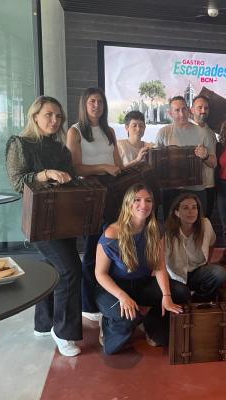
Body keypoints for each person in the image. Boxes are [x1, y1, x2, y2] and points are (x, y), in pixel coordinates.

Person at [5, 95, 83, 357]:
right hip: (39, 220)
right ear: (35, 116)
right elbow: (17, 182)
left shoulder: (61, 149)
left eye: (58, 116)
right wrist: (45, 173)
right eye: (49, 114)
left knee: (53, 268)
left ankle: (44, 322)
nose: (54, 120)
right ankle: (64, 332)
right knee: (70, 271)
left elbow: (71, 180)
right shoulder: (19, 144)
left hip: (64, 217)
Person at [94, 184, 188, 355]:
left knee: (181, 292)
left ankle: (150, 321)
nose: (143, 205)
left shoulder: (156, 229)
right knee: (122, 330)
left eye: (148, 200)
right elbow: (100, 274)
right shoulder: (112, 233)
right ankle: (108, 322)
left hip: (141, 284)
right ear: (127, 203)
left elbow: (159, 266)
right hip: (114, 289)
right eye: (137, 200)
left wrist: (166, 296)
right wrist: (122, 296)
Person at [66, 87, 124, 322]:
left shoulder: (109, 130)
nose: (96, 105)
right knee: (92, 249)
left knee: (112, 246)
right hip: (89, 193)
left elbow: (118, 165)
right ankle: (88, 304)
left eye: (100, 101)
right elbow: (74, 167)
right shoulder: (75, 131)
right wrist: (103, 167)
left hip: (113, 192)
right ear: (84, 104)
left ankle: (108, 294)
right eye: (92, 101)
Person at [156, 96, 216, 217]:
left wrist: (205, 156)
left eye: (184, 109)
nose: (181, 114)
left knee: (197, 225)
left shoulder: (203, 132)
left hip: (196, 190)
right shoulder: (163, 133)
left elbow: (213, 163)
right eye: (177, 110)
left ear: (189, 110)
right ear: (170, 113)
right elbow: (157, 163)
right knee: (170, 224)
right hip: (171, 189)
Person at [165, 192, 226, 302]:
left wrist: (207, 262)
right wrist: (166, 293)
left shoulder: (205, 224)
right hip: (176, 276)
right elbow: (161, 265)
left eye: (194, 207)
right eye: (185, 208)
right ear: (177, 212)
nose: (191, 211)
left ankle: (199, 300)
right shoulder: (168, 233)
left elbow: (212, 243)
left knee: (219, 273)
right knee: (182, 293)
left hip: (197, 271)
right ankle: (189, 297)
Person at [191, 95, 218, 219]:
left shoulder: (211, 133)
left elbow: (213, 162)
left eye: (206, 108)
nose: (203, 111)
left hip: (209, 185)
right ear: (192, 109)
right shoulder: (185, 129)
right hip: (192, 186)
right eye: (199, 107)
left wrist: (205, 156)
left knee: (205, 221)